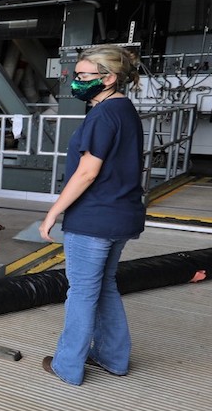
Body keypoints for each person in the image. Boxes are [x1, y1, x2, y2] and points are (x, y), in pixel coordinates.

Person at [38, 45, 145, 386]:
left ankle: (68, 366)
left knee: (82, 292)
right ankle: (113, 358)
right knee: (106, 288)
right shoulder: (125, 110)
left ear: (109, 78)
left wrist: (53, 212)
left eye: (84, 76)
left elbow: (87, 172)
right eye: (77, 75)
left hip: (95, 218)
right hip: (122, 216)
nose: (77, 81)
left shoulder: (102, 115)